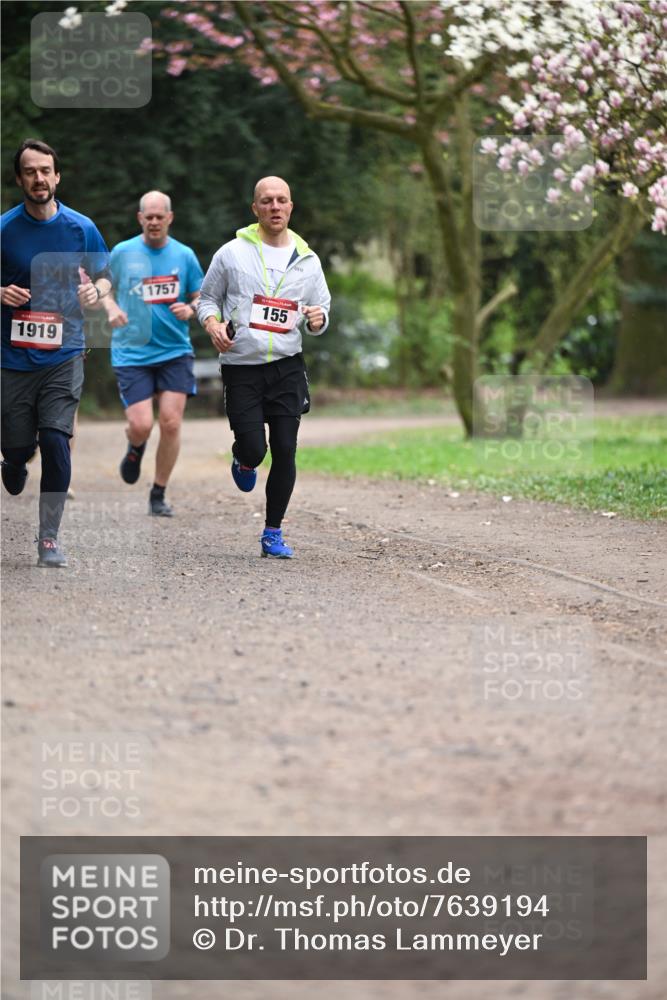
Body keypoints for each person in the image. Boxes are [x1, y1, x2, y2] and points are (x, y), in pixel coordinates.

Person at [197, 176, 331, 558]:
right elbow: (207, 300)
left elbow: (320, 309)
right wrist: (213, 325)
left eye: (282, 200)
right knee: (256, 449)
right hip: (242, 365)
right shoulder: (231, 253)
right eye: (267, 201)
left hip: (287, 365)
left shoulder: (308, 259)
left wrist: (319, 320)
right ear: (255, 208)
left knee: (285, 449)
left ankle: (273, 532)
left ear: (291, 207)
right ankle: (243, 457)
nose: (275, 207)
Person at [1, 138, 110, 568]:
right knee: (16, 444)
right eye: (30, 171)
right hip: (11, 356)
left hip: (64, 351)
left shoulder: (81, 228)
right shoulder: (5, 229)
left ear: (57, 176)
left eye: (45, 170)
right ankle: (12, 459)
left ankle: (49, 538)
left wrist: (94, 290)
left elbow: (106, 276)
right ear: (19, 179)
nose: (39, 178)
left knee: (56, 438)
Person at [103, 191, 204, 516]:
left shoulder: (184, 255)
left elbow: (202, 297)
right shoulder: (123, 252)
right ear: (140, 218)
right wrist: (110, 307)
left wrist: (190, 309)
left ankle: (158, 493)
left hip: (175, 350)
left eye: (161, 216)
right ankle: (135, 447)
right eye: (149, 217)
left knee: (171, 423)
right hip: (132, 351)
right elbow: (101, 286)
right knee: (142, 424)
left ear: (170, 218)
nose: (155, 222)